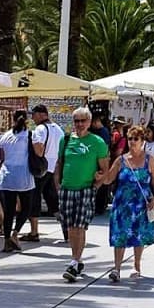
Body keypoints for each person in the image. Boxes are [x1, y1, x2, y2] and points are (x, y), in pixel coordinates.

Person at [99, 125, 154, 283]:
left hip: (142, 204)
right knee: (120, 234)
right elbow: (109, 179)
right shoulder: (121, 160)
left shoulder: (149, 160)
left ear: (142, 141)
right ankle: (117, 269)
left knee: (139, 235)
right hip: (122, 204)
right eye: (130, 138)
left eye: (136, 139)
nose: (132, 141)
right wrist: (99, 174)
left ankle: (136, 265)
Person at [56, 107, 109, 282]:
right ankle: (76, 260)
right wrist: (57, 185)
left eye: (83, 121)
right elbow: (59, 163)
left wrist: (96, 186)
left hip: (85, 189)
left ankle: (74, 261)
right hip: (66, 188)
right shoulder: (65, 140)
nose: (79, 124)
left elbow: (105, 169)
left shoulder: (97, 142)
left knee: (79, 226)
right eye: (77, 121)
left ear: (89, 122)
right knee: (71, 227)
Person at [0, 110, 42, 253]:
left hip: (6, 177)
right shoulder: (31, 135)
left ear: (12, 119)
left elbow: (1, 159)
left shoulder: (5, 137)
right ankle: (15, 233)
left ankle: (6, 241)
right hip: (24, 176)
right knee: (26, 208)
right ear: (27, 120)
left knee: (8, 211)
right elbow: (39, 152)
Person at [24, 104, 63, 243]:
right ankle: (65, 227)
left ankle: (34, 232)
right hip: (51, 169)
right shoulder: (58, 129)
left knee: (34, 199)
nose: (33, 118)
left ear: (42, 114)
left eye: (34, 115)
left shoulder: (40, 129)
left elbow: (39, 151)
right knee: (52, 199)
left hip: (40, 169)